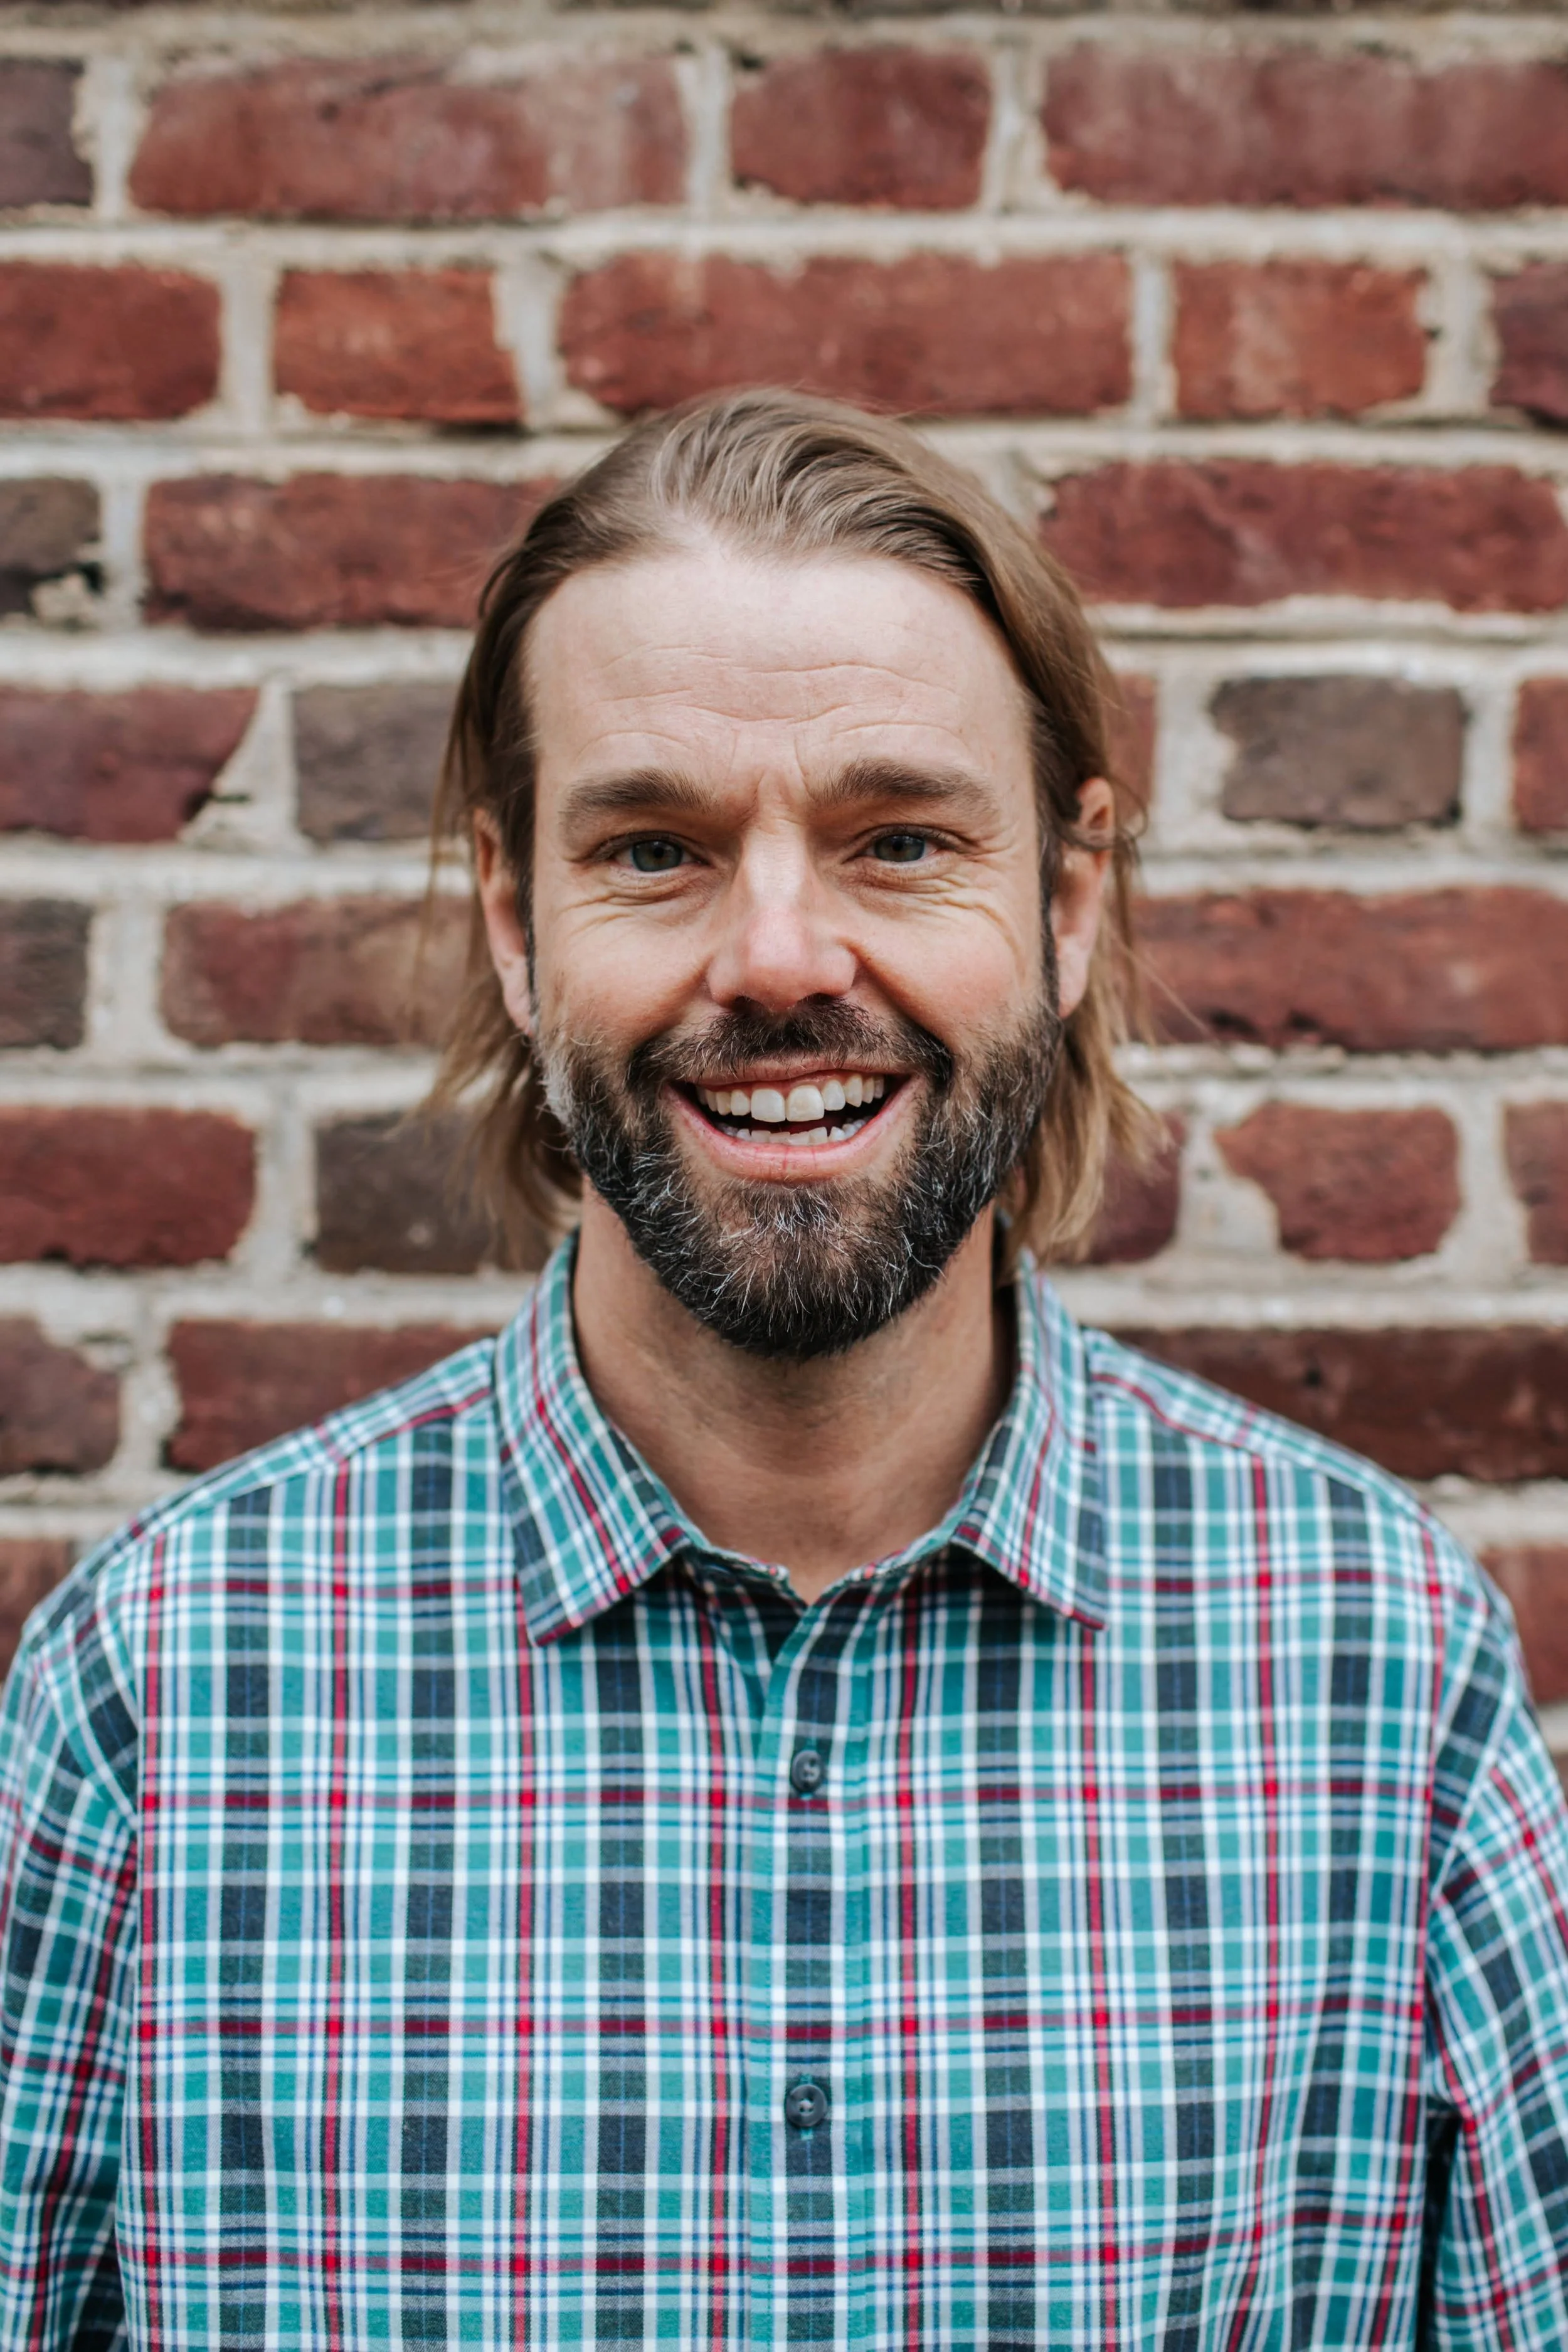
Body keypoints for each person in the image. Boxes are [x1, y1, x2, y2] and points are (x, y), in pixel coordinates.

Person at [1, 390, 1565, 2351]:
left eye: (897, 838)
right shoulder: (162, 1694)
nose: (773, 955)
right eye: (654, 847)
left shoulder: (1376, 1676)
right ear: (513, 913)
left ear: (1066, 903)